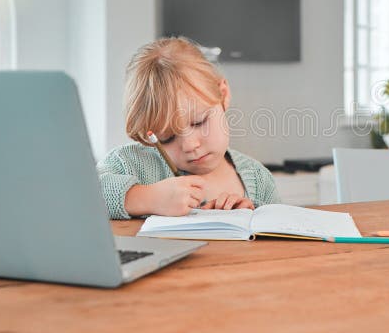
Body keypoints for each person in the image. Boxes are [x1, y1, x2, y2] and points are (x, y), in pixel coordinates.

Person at [97, 37, 280, 219]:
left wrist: (249, 218)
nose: (190, 145)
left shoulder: (258, 178)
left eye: (199, 122)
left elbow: (280, 236)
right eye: (167, 137)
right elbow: (81, 192)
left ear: (223, 95)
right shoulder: (130, 164)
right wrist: (146, 198)